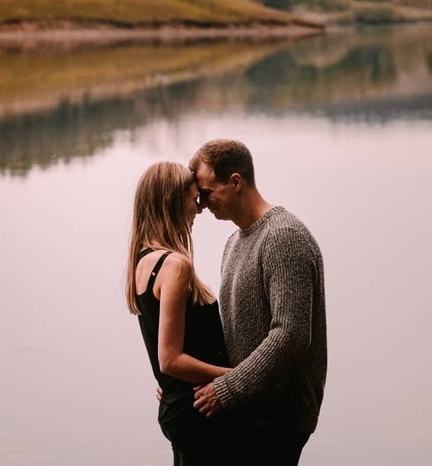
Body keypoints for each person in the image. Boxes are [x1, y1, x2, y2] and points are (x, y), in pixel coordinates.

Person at [189, 139, 327, 466]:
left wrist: (228, 389)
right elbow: (232, 332)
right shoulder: (233, 242)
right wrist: (183, 380)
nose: (202, 205)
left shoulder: (283, 236)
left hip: (278, 419)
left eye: (207, 192)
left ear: (236, 182)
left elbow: (291, 334)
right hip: (248, 412)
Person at [125, 161, 235, 465]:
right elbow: (170, 359)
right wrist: (238, 378)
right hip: (200, 411)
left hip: (180, 407)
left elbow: (167, 353)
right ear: (172, 201)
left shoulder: (143, 263)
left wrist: (172, 386)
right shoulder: (175, 265)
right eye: (193, 198)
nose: (199, 208)